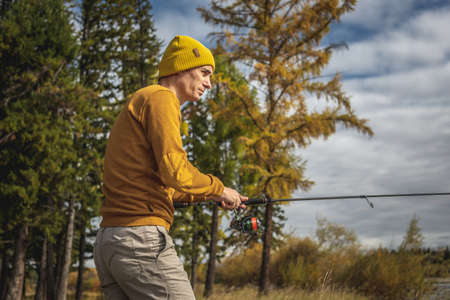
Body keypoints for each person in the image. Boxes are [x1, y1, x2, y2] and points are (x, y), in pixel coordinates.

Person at [94, 35, 247, 300]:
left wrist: (212, 194)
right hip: (139, 240)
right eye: (204, 73)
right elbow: (175, 171)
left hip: (110, 241)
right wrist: (219, 188)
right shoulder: (162, 98)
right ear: (181, 67)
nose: (209, 83)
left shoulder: (143, 99)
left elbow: (166, 185)